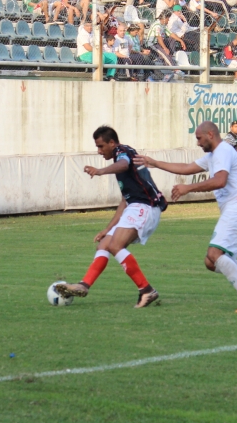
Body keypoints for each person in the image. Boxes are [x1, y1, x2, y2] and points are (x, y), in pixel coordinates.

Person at [135, 121, 237, 313]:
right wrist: (154, 163)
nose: (198, 143)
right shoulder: (213, 155)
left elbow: (220, 181)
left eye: (199, 138)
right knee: (211, 262)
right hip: (234, 210)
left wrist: (188, 188)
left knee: (215, 255)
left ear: (210, 134)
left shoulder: (223, 152)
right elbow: (186, 167)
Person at [55, 126, 165, 308]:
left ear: (112, 143)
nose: (99, 151)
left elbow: (124, 164)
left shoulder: (122, 153)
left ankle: (146, 290)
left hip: (145, 206)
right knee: (105, 244)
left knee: (116, 245)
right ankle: (84, 285)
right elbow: (124, 201)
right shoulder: (123, 158)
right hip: (136, 206)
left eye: (101, 146)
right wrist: (107, 229)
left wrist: (99, 171)